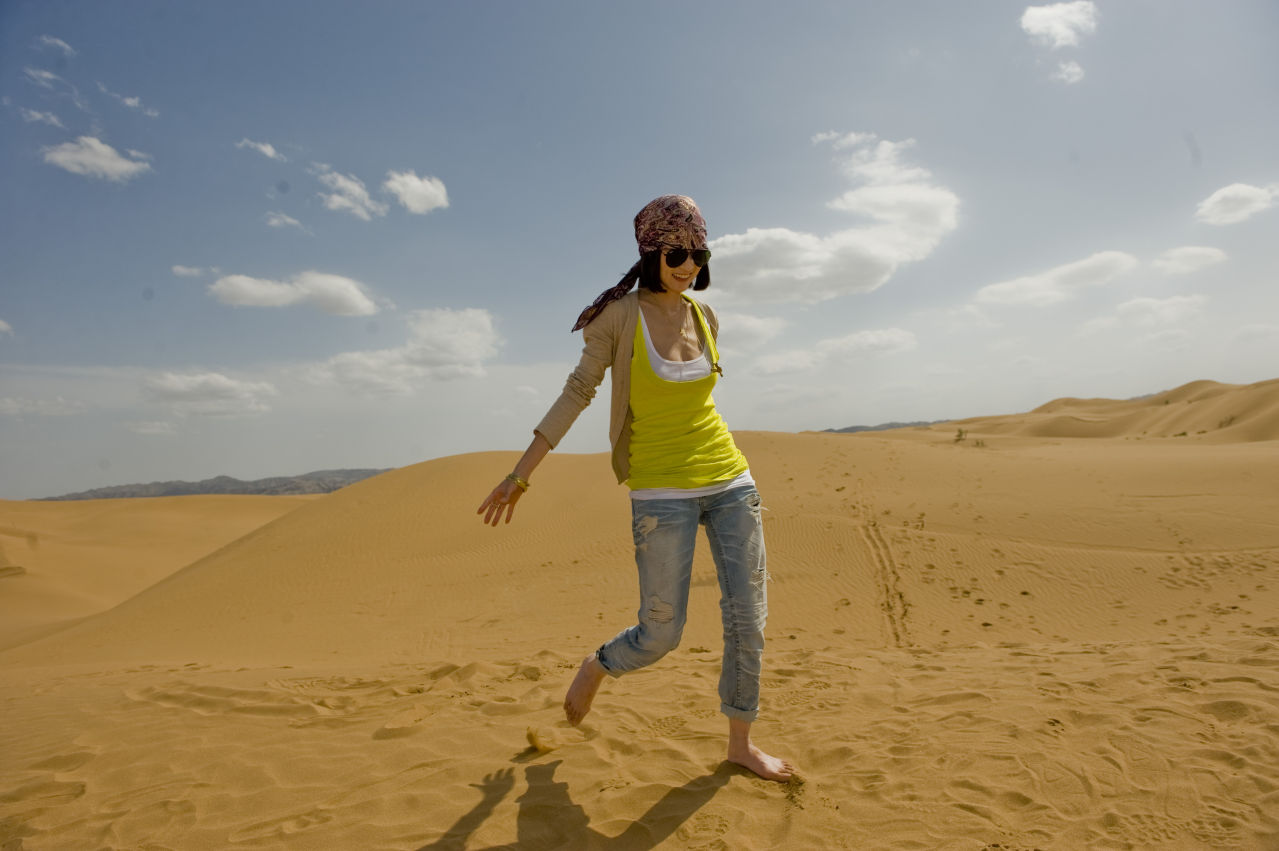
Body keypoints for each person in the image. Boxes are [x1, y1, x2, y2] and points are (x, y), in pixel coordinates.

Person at [477, 195, 795, 782]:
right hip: (660, 492)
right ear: (651, 252)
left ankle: (740, 744)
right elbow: (578, 392)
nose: (689, 265)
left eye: (699, 254)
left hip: (729, 479)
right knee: (661, 633)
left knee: (748, 619)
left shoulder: (705, 316)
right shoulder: (618, 318)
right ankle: (598, 665)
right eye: (677, 254)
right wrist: (520, 475)